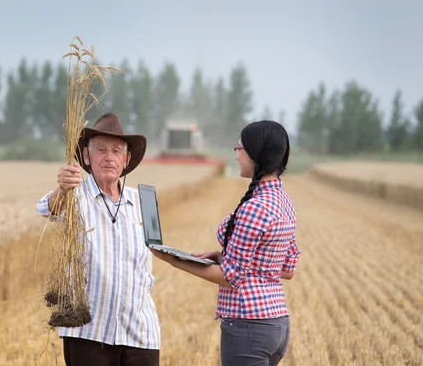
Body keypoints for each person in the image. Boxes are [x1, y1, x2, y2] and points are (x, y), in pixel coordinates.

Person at [150, 120, 300, 366]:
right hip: (277, 325)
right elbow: (287, 269)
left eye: (239, 148)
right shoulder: (284, 201)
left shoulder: (255, 207)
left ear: (255, 154)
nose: (236, 154)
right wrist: (223, 257)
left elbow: (231, 277)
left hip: (248, 324)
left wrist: (174, 260)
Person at [36, 112, 160, 366]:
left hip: (139, 331)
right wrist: (62, 189)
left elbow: (153, 255)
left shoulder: (144, 201)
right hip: (88, 332)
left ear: (126, 160)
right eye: (101, 149)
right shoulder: (73, 196)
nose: (109, 157)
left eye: (116, 151)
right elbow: (47, 209)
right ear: (86, 156)